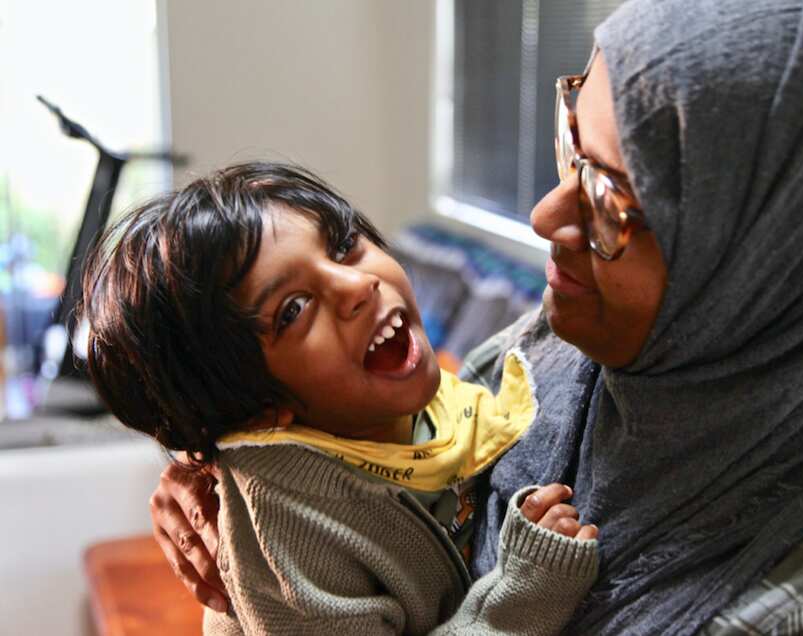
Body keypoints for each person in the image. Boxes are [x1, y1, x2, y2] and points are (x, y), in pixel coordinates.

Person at [148, 0, 803, 633]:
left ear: (785, 261)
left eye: (613, 196)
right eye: (575, 139)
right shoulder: (570, 352)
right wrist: (236, 459)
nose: (545, 214)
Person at [80, 161, 599, 635]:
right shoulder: (288, 533)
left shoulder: (416, 402)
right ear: (260, 416)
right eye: (294, 309)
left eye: (343, 245)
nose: (356, 286)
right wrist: (520, 592)